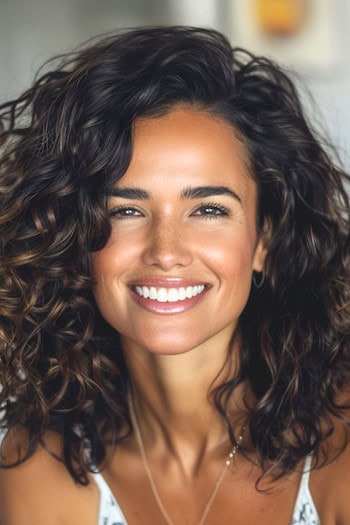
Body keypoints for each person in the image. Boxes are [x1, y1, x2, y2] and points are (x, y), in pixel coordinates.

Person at [0, 26, 349, 525]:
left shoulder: (340, 450)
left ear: (264, 241)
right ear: (74, 240)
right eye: (125, 210)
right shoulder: (41, 467)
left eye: (208, 209)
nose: (166, 252)